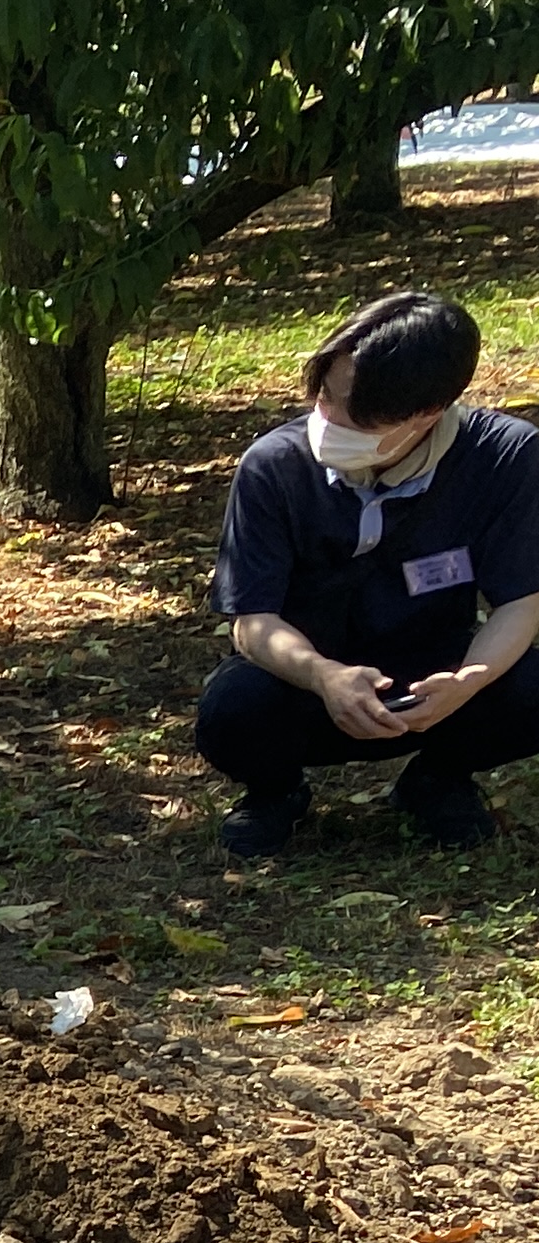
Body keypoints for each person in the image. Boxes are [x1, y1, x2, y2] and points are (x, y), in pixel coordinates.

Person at [201, 288, 539, 857]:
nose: (328, 418)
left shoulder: (506, 457)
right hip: (305, 681)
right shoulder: (274, 467)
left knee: (532, 686)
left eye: (352, 412)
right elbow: (251, 620)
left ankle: (438, 781)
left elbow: (520, 602)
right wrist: (324, 676)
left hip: (436, 674)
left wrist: (468, 682)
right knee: (231, 711)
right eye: (326, 397)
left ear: (426, 415)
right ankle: (276, 793)